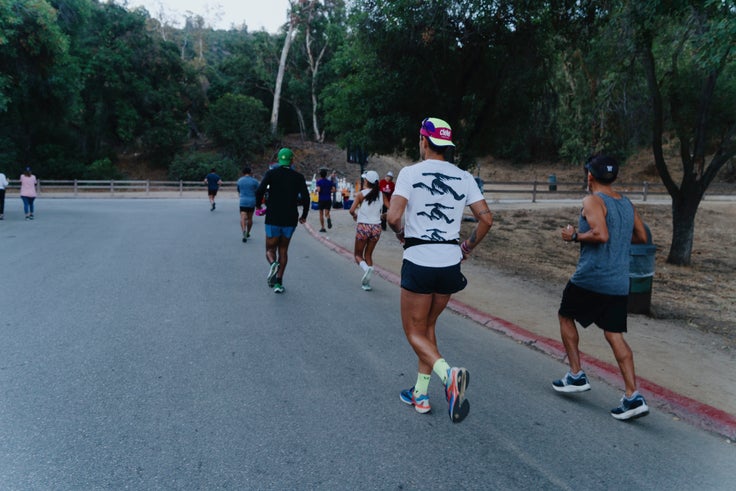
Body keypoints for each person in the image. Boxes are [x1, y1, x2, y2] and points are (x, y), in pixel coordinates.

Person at [387, 117, 493, 423]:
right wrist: (467, 248)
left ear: (423, 140)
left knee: (412, 331)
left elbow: (394, 217)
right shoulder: (464, 177)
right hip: (450, 263)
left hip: (419, 259)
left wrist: (400, 234)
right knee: (429, 327)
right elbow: (487, 220)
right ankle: (420, 394)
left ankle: (449, 376)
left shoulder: (409, 173)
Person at [553, 154, 650, 421]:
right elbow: (642, 236)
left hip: (592, 277)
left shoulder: (592, 200)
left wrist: (574, 236)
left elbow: (600, 234)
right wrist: (619, 235)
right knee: (614, 334)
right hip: (619, 281)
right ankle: (632, 396)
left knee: (565, 314)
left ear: (590, 176)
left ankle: (575, 375)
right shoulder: (627, 203)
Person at [255, 148, 310, 294]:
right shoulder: (298, 177)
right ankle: (279, 283)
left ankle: (273, 263)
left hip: (273, 217)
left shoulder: (271, 174)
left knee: (269, 249)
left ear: (279, 160)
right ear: (292, 160)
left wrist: (258, 205)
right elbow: (306, 197)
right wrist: (304, 215)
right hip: (290, 218)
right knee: (283, 250)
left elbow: (259, 190)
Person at [349, 170, 383, 291]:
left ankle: (366, 269)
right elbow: (390, 208)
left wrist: (355, 216)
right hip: (376, 228)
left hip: (364, 226)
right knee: (368, 254)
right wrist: (382, 216)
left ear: (367, 181)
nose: (363, 181)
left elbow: (351, 210)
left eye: (364, 179)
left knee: (358, 255)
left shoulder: (361, 194)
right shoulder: (381, 194)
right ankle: (367, 284)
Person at [236, 166, 260, 243]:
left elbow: (238, 190)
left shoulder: (239, 181)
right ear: (250, 172)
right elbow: (258, 191)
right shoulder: (254, 181)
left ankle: (243, 231)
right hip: (252, 201)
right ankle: (248, 232)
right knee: (250, 218)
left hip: (243, 201)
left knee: (243, 217)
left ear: (243, 173)